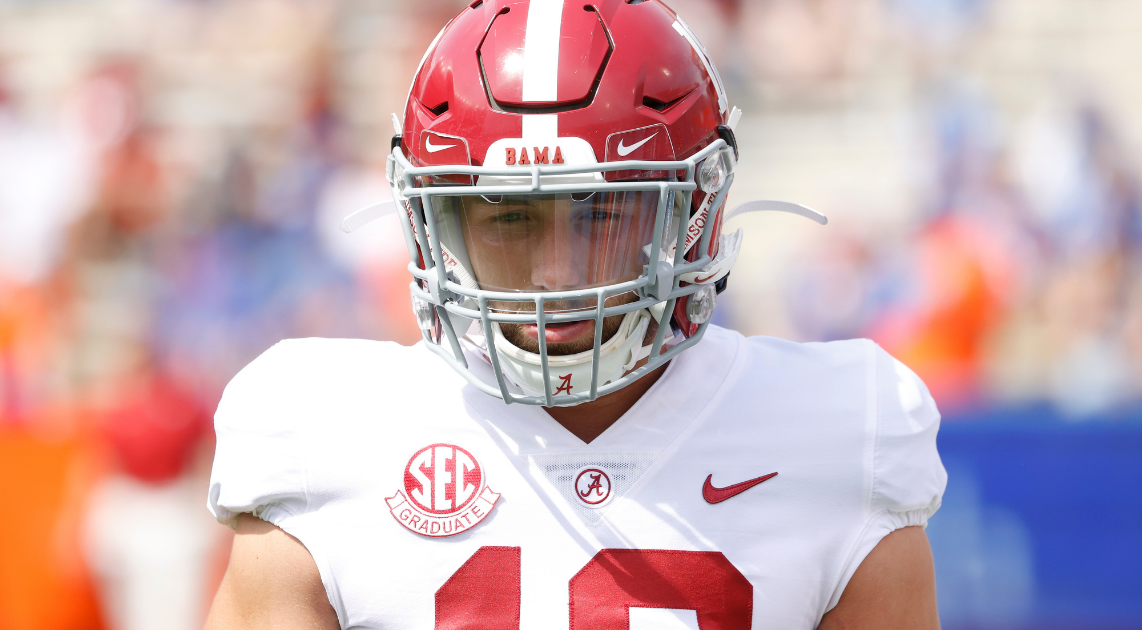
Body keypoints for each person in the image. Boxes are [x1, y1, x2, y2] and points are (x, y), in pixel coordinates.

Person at [204, 1, 947, 628]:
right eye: (509, 217)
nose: (555, 276)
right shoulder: (323, 436)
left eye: (602, 213)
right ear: (439, 225)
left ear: (694, 209)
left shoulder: (838, 434)